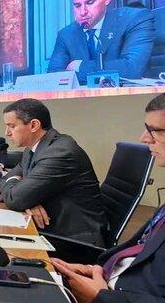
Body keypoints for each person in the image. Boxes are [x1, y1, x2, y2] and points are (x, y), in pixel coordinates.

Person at [52, 93, 165, 303]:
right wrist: (99, 270)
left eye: (154, 130)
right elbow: (143, 255)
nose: (144, 138)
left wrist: (101, 297)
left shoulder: (60, 149)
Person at [0, 98, 107, 246]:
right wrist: (28, 201)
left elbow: (15, 198)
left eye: (11, 126)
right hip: (51, 226)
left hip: (75, 240)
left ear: (34, 125)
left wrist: (24, 197)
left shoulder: (60, 152)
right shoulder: (32, 149)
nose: (7, 133)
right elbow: (7, 180)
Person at [47, 0, 155, 82]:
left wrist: (80, 66)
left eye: (90, 2)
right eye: (77, 5)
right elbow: (54, 77)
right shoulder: (66, 34)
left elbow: (132, 68)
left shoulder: (135, 19)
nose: (82, 12)